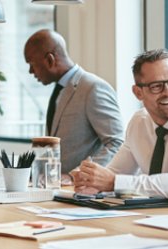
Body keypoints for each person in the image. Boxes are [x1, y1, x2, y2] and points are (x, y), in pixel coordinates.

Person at [70, 49, 168, 209]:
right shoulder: (139, 122)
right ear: (138, 92)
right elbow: (116, 174)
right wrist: (91, 182)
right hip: (158, 221)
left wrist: (113, 182)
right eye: (157, 86)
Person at [24, 29, 124, 178]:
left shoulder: (93, 88)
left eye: (32, 64)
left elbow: (116, 143)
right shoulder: (60, 90)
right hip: (57, 189)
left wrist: (75, 175)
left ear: (50, 60)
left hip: (82, 191)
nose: (30, 71)